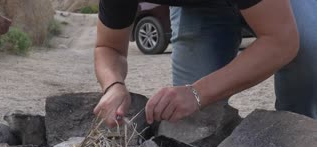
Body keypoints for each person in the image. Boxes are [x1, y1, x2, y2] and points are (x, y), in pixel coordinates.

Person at [93, 0, 317, 128]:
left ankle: (300, 133)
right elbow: (108, 47)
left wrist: (197, 92)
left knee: (309, 46)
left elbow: (281, 41)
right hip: (202, 8)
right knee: (192, 123)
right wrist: (113, 86)